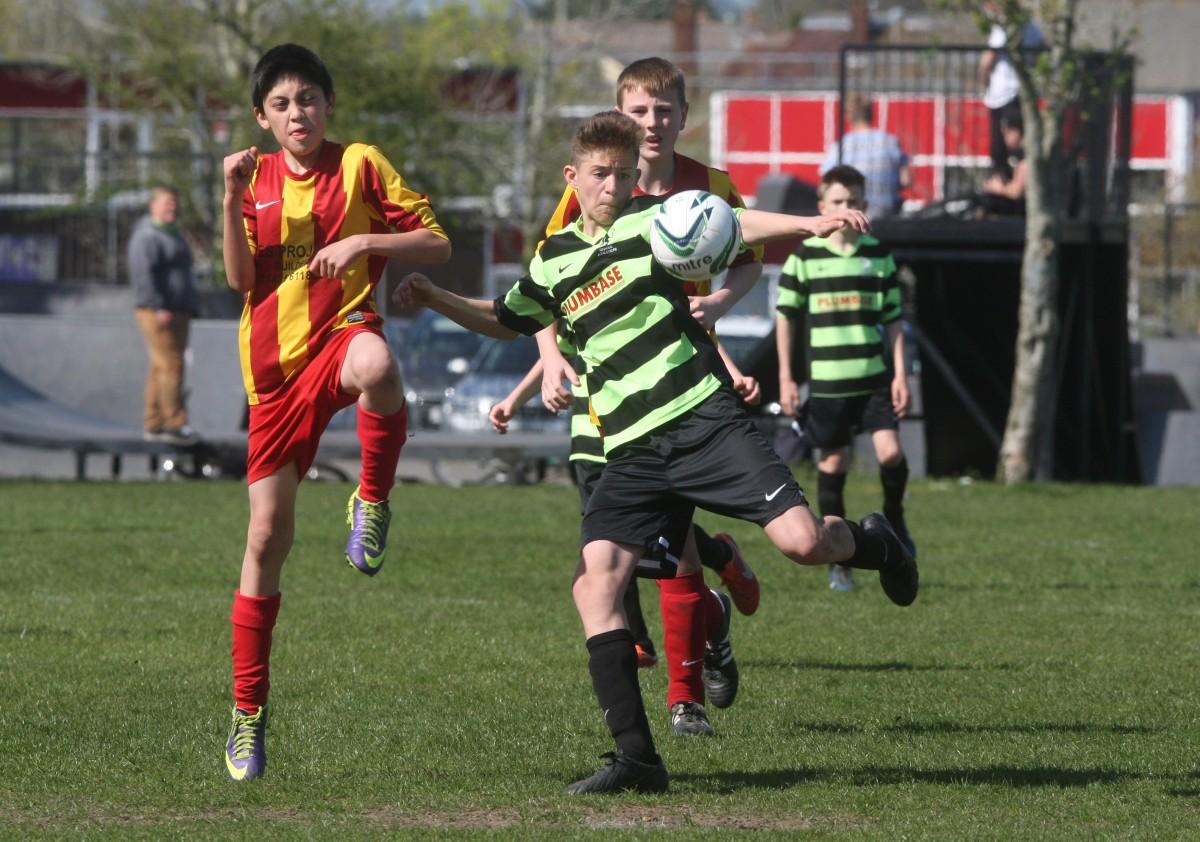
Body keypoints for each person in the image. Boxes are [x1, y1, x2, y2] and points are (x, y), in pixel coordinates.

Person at [394, 111, 918, 795]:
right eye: (600, 174)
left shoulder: (656, 221)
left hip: (704, 421)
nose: (612, 186)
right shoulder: (553, 259)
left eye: (622, 174)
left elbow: (731, 220)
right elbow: (506, 316)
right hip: (632, 450)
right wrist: (436, 296)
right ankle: (637, 758)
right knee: (595, 584)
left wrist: (808, 225)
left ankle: (875, 544)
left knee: (801, 543)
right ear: (573, 178)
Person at [219, 43, 451, 782]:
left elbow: (437, 241)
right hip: (271, 377)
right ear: (263, 117)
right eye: (282, 104)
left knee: (380, 364)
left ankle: (373, 499)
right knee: (265, 540)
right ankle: (248, 713)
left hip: (343, 337)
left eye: (309, 99)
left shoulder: (360, 164)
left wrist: (364, 239)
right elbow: (238, 279)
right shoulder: (251, 179)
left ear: (328, 104)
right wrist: (225, 203)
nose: (299, 113)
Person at [538, 57, 762, 739]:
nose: (653, 123)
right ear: (620, 117)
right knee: (617, 536)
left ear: (683, 117)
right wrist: (548, 357)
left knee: (659, 546)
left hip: (682, 381)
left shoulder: (712, 186)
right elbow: (549, 272)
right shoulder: (597, 188)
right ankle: (713, 608)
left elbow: (749, 257)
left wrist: (720, 302)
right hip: (608, 384)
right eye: (640, 111)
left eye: (664, 110)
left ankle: (683, 698)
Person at [775, 165, 916, 594]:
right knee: (832, 464)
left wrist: (900, 374)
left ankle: (895, 517)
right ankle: (842, 561)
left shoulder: (878, 254)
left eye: (853, 201)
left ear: (865, 206)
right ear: (822, 207)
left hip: (872, 379)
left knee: (890, 453)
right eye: (837, 201)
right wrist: (787, 377)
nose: (846, 209)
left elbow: (893, 320)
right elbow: (786, 320)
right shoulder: (804, 257)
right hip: (830, 384)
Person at [129, 185, 198, 444]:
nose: (173, 208)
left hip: (179, 310)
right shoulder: (147, 236)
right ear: (153, 206)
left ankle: (153, 422)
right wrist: (158, 306)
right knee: (171, 365)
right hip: (157, 311)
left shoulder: (173, 234)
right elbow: (143, 274)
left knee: (160, 366)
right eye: (167, 203)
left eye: (174, 203)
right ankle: (174, 423)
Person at [978, 4, 1043, 179]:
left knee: (1004, 146)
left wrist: (985, 82)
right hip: (1020, 94)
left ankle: (1006, 186)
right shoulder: (1032, 27)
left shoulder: (1006, 27)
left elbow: (987, 61)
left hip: (1005, 95)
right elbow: (1038, 59)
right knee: (1018, 145)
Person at [820, 93, 910, 219]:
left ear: (848, 116)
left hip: (852, 217)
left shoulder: (841, 146)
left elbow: (827, 182)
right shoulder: (891, 142)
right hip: (886, 217)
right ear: (871, 114)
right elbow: (906, 180)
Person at [979, 108, 1027, 215]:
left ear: (1017, 132)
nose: (1004, 138)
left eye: (1007, 134)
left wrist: (999, 188)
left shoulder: (1027, 159)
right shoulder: (1019, 157)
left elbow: (1017, 192)